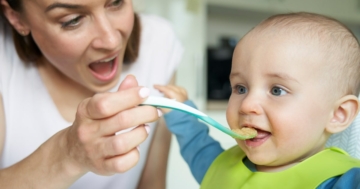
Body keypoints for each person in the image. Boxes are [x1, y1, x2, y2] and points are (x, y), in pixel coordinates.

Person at [155, 12, 360, 188]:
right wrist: (180, 112)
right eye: (240, 88)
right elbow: (197, 147)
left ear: (338, 114)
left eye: (277, 90)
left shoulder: (341, 180)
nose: (246, 105)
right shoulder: (219, 166)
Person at [0, 0, 183, 188]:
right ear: (16, 17)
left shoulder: (159, 44)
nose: (111, 41)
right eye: (73, 20)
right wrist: (67, 155)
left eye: (117, 2)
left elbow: (153, 184)